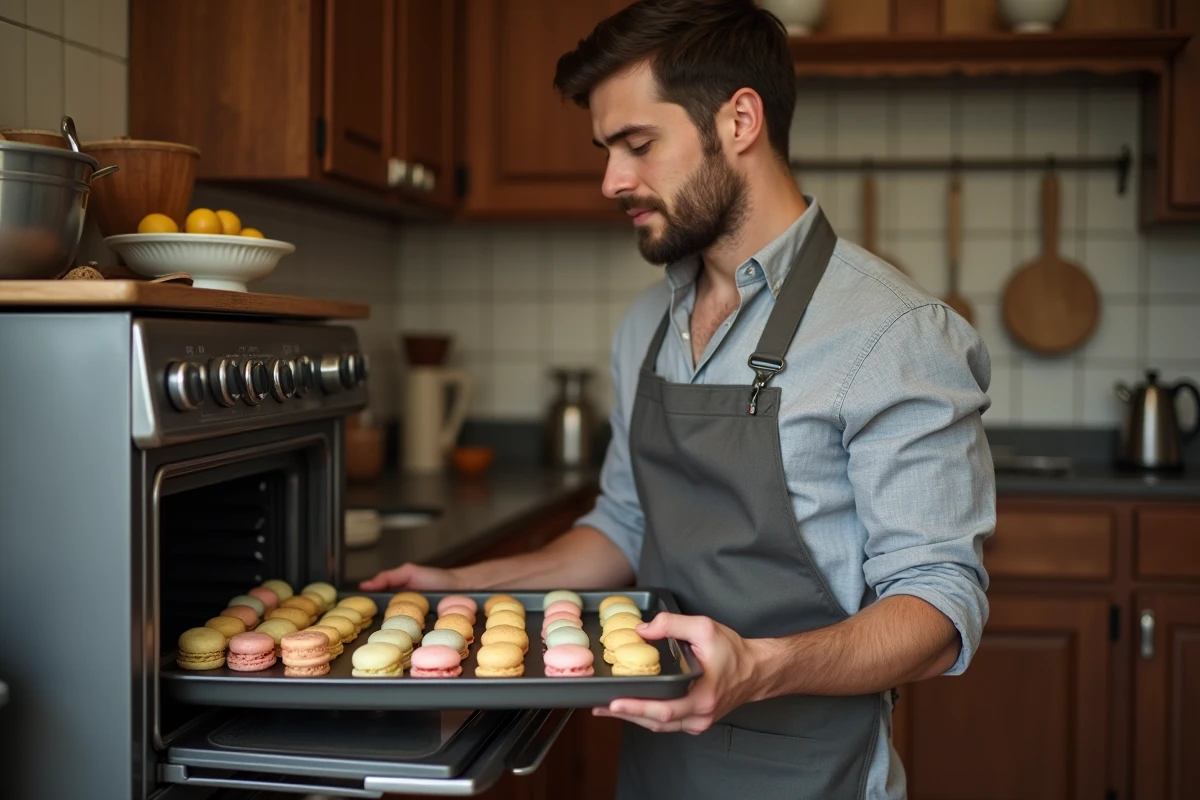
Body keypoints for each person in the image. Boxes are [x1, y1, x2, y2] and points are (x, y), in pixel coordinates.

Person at [362, 1, 995, 796]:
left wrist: (759, 667)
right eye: (606, 150)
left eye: (638, 145)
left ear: (739, 120)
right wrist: (464, 590)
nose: (611, 180)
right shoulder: (646, 329)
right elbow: (624, 526)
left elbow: (939, 608)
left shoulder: (894, 333)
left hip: (814, 775)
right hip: (658, 766)